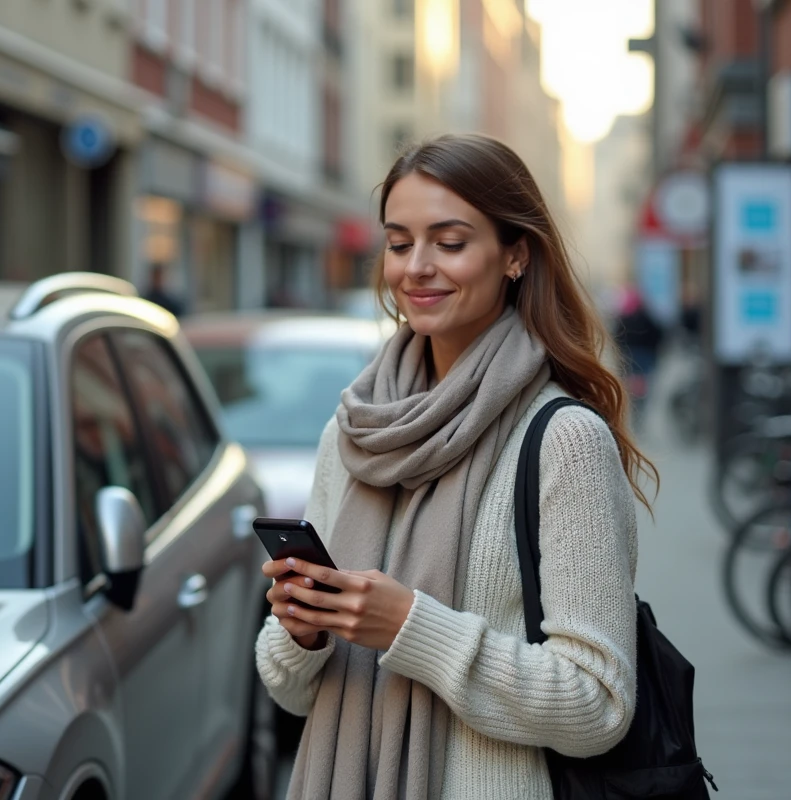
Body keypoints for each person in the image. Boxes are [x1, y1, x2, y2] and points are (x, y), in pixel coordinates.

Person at [254, 133, 657, 799]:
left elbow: (597, 705)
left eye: (450, 241)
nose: (416, 267)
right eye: (399, 241)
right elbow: (288, 691)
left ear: (515, 257)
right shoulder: (353, 431)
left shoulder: (565, 440)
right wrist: (302, 632)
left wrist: (412, 627)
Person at [613, 285, 664, 424]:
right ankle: (639, 409)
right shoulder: (648, 317)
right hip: (645, 357)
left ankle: (634, 408)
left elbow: (616, 338)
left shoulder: (623, 318)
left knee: (630, 384)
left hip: (629, 356)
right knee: (642, 385)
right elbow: (658, 335)